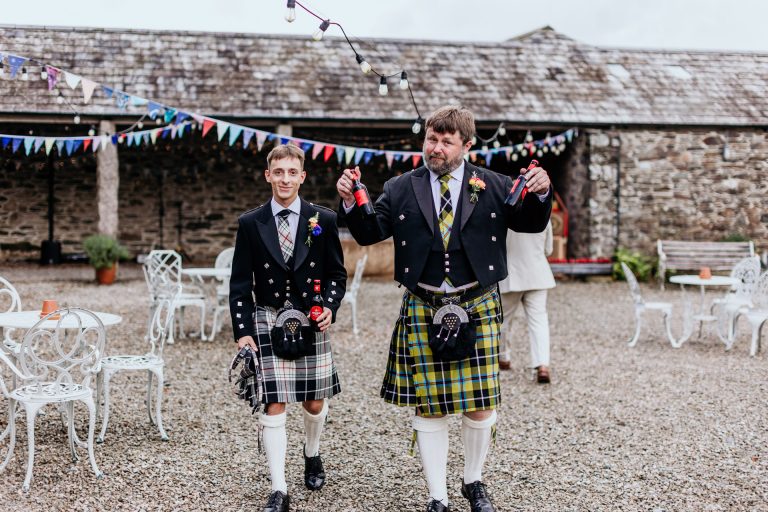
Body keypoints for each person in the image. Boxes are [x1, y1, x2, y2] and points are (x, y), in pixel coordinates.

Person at [336, 105, 551, 512]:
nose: (435, 148)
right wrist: (350, 202)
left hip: (477, 301)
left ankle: (473, 481)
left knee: (481, 401)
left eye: (445, 142)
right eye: (430, 139)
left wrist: (541, 191)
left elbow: (529, 223)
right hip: (423, 301)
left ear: (466, 145)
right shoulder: (401, 186)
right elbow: (370, 232)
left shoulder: (494, 183)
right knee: (429, 403)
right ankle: (438, 495)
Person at [230, 144, 347, 512]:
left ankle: (311, 452)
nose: (284, 178)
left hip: (310, 318)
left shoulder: (323, 219)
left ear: (302, 176)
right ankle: (279, 488)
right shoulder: (251, 223)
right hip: (268, 317)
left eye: (291, 172)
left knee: (314, 401)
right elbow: (239, 284)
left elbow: (336, 274)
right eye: (277, 172)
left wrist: (328, 306)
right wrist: (243, 329)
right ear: (268, 175)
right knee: (274, 402)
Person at [498, 221, 555, 383]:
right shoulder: (543, 213)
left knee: (503, 320)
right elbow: (548, 249)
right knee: (539, 321)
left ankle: (503, 357)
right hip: (537, 273)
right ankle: (543, 364)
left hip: (510, 275)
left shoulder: (506, 213)